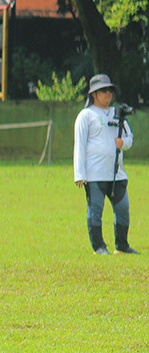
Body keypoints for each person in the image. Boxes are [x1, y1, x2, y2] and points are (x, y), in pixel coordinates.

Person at [73, 74, 136, 254]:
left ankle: (122, 246)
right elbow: (79, 145)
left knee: (123, 209)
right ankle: (99, 246)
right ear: (93, 94)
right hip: (95, 175)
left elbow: (129, 137)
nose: (108, 93)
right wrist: (79, 174)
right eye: (103, 90)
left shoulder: (118, 113)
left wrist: (123, 143)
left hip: (117, 174)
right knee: (96, 211)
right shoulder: (86, 115)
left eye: (110, 90)